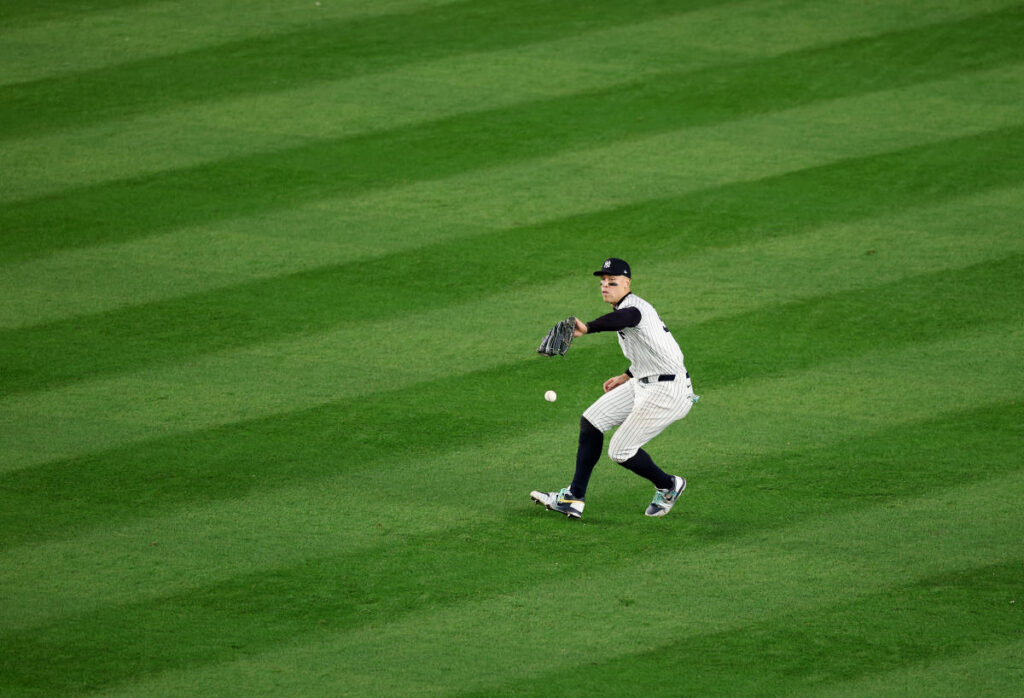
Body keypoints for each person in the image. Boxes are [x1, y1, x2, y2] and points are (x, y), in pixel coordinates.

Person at [531, 257, 698, 519]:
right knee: (592, 420)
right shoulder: (628, 310)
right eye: (602, 282)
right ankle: (574, 498)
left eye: (612, 282)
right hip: (644, 381)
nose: (605, 286)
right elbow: (658, 350)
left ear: (627, 283)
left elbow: (624, 318)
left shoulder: (634, 308)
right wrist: (627, 374)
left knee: (620, 451)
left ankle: (669, 485)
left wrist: (588, 328)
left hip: (668, 392)